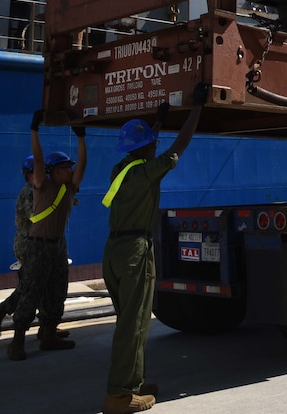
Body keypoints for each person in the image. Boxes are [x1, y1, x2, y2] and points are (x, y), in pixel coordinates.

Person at [101, 84, 206, 414]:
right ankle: (119, 396)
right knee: (134, 325)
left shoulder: (123, 170)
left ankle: (133, 384)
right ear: (147, 147)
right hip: (135, 251)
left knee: (130, 321)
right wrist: (196, 110)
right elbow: (179, 147)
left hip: (114, 251)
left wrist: (157, 122)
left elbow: (147, 145)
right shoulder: (148, 172)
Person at [8, 110, 86, 361]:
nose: (70, 170)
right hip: (37, 246)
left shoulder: (69, 188)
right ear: (54, 171)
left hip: (57, 246)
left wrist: (82, 137)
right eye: (65, 167)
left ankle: (49, 334)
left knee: (57, 291)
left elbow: (83, 165)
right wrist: (34, 131)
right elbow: (38, 161)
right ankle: (17, 341)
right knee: (31, 292)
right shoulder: (42, 186)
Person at [0, 155, 74, 340]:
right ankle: (1, 315)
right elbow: (37, 215)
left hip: (46, 244)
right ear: (29, 174)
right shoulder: (29, 192)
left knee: (45, 286)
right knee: (32, 287)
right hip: (30, 245)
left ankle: (46, 326)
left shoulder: (46, 190)